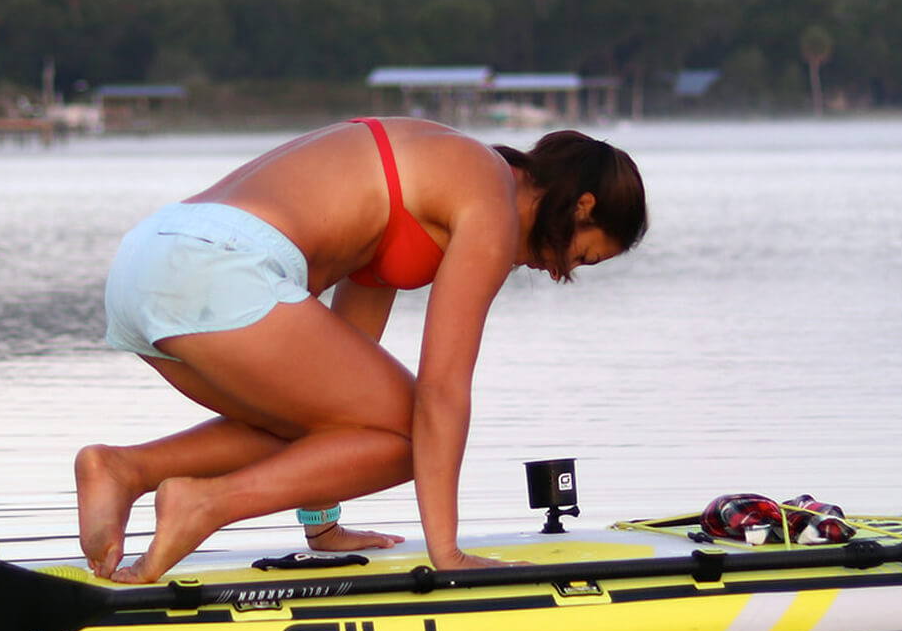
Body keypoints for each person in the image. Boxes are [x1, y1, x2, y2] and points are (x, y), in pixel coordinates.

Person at [76, 116, 647, 584]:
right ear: (582, 206)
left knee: (364, 421)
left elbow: (331, 412)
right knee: (412, 431)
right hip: (219, 266)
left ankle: (126, 469)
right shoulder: (492, 203)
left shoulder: (438, 166)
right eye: (582, 258)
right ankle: (205, 504)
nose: (559, 273)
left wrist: (323, 527)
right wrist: (448, 554)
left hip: (151, 262)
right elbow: (442, 391)